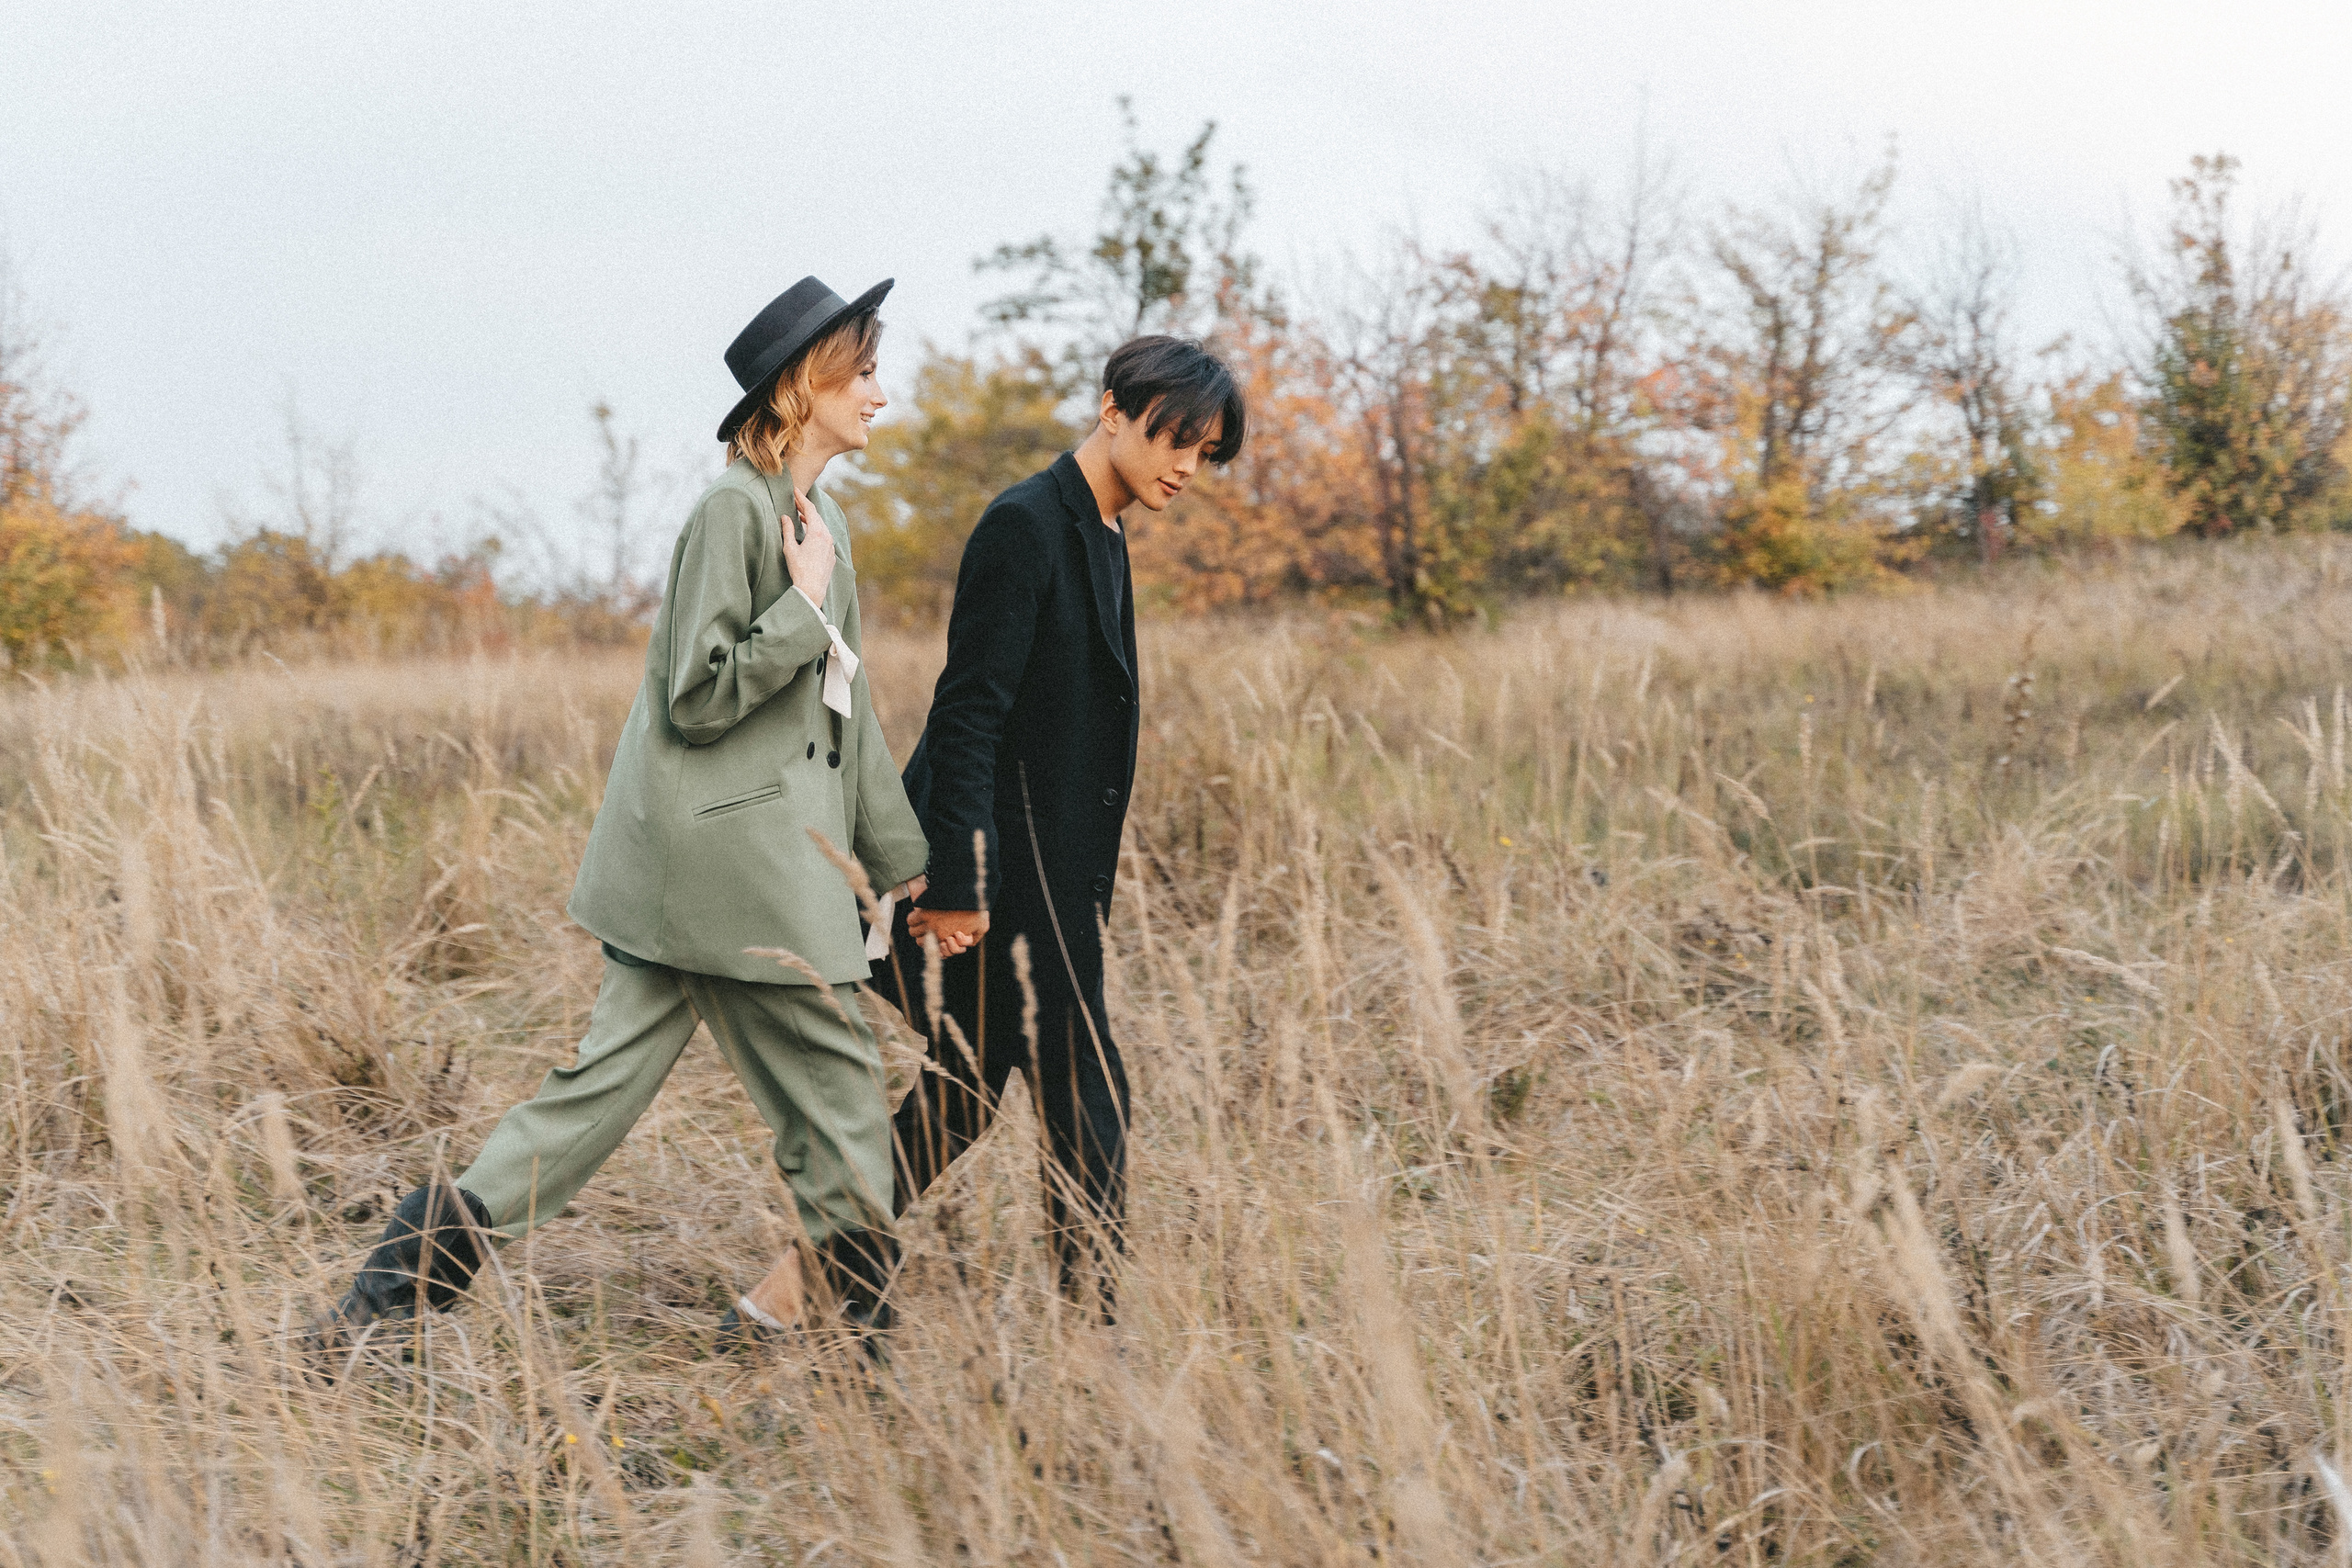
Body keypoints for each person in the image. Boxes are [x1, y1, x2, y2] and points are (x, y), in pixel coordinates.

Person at [312, 276, 931, 1370]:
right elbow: (694, 697)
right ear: (803, 387)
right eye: (864, 372)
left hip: (719, 870)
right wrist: (796, 612)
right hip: (736, 871)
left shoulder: (822, 519)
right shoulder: (731, 513)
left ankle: (387, 1294)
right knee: (839, 1096)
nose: (881, 394)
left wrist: (897, 856)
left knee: (591, 1097)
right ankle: (868, 1363)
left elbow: (849, 710)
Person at [868, 336, 1246, 1319]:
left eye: (1204, 453)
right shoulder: (1025, 526)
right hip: (1006, 883)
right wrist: (957, 883)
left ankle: (804, 1282)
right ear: (1113, 408)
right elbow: (968, 714)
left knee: (961, 1095)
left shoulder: (1104, 532)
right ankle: (1093, 1342)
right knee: (1089, 1098)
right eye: (1175, 439)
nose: (1186, 468)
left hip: (1054, 880)